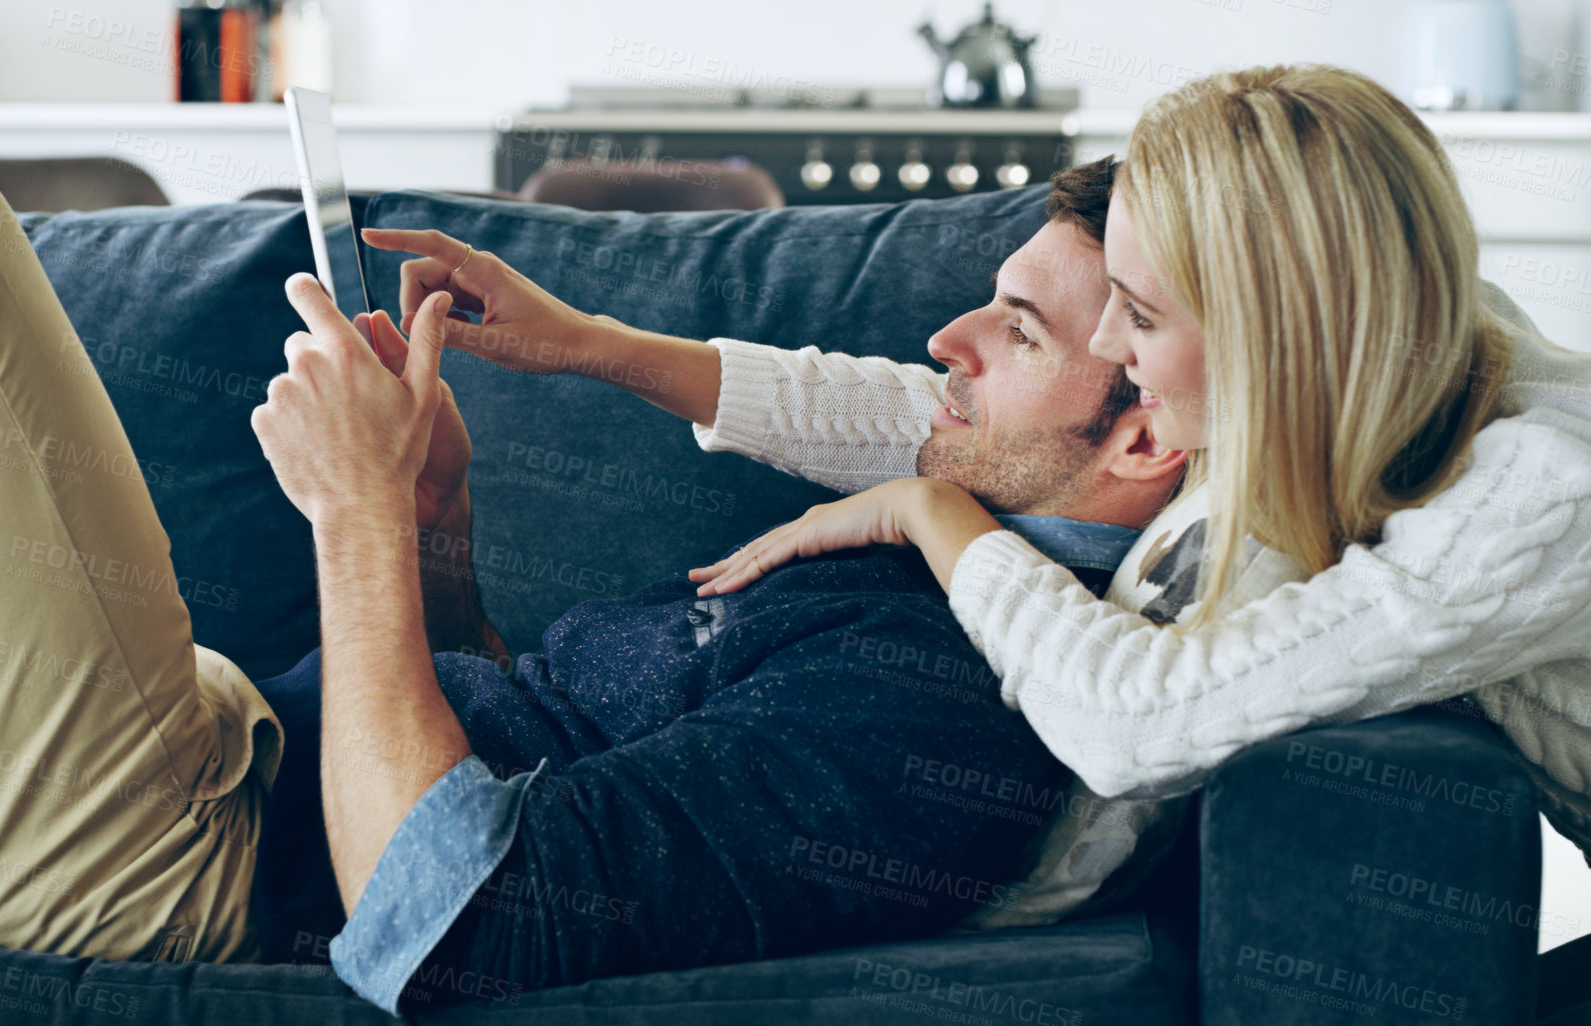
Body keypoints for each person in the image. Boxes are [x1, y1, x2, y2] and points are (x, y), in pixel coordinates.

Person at [0, 140, 1174, 1012]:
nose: (944, 344)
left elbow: (448, 911)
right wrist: (436, 533)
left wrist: (356, 522)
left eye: (1017, 334)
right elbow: (521, 746)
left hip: (173, 862)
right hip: (183, 753)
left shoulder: (943, 708)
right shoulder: (909, 556)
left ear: (1142, 435)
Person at [386, 65, 1591, 860]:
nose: (1115, 348)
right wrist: (595, 345)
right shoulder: (1370, 353)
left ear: (1276, 332)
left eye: (1142, 315)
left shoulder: (1538, 494)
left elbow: (1135, 726)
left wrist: (934, 518)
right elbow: (974, 417)